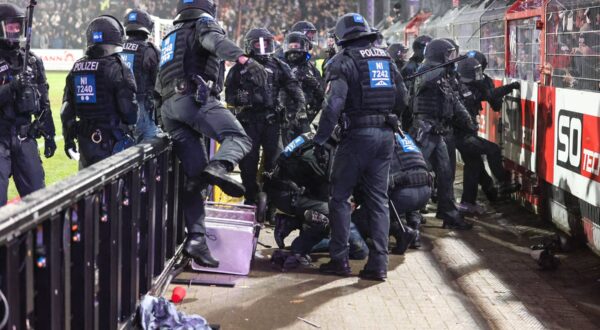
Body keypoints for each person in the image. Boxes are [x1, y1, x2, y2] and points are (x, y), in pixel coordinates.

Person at [155, 0, 266, 268]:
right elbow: (214, 42)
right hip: (193, 99)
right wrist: (243, 58)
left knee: (194, 178)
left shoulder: (170, 36)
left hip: (168, 110)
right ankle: (219, 167)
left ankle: (196, 238)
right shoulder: (203, 24)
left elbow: (158, 82)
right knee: (238, 138)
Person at [315, 13, 408, 281]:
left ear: (342, 38)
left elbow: (332, 106)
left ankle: (339, 260)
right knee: (379, 199)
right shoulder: (385, 58)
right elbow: (402, 97)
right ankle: (379, 265)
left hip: (357, 136)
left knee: (340, 197)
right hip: (386, 136)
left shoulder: (342, 61)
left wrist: (321, 139)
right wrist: (390, 117)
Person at [265, 131, 368, 270]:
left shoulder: (316, 138)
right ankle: (299, 250)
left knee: (359, 249)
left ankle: (291, 223)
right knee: (334, 215)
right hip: (289, 194)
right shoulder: (322, 149)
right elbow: (325, 186)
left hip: (293, 192)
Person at [225, 27, 305, 206]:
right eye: (258, 44)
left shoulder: (278, 65)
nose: (262, 48)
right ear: (249, 46)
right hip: (248, 122)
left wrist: (296, 112)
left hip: (272, 121)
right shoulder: (239, 68)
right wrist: (237, 104)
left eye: (266, 44)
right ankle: (251, 198)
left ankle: (270, 202)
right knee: (248, 164)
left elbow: (295, 89)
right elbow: (229, 95)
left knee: (275, 163)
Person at [409, 38, 477, 230]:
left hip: (438, 131)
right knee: (417, 173)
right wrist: (443, 66)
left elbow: (454, 100)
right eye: (448, 54)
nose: (452, 58)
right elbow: (425, 80)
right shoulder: (425, 71)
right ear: (439, 55)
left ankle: (448, 213)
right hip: (424, 130)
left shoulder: (444, 75)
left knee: (446, 175)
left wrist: (467, 119)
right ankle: (410, 216)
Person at [61, 15, 137, 168]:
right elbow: (130, 114)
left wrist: (69, 139)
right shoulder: (119, 68)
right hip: (112, 144)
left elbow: (66, 110)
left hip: (85, 143)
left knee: (88, 187)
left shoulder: (77, 68)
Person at [0, 3, 55, 205]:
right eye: (10, 26)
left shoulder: (32, 61)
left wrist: (49, 133)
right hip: (1, 137)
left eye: (17, 26)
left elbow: (44, 100)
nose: (15, 31)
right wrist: (11, 87)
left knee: (38, 199)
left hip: (25, 136)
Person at [455, 55, 520, 213]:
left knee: (473, 165)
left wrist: (510, 87)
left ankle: (467, 202)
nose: (480, 75)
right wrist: (510, 87)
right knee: (493, 150)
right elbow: (489, 96)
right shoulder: (461, 90)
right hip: (462, 136)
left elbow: (490, 95)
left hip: (465, 135)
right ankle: (503, 183)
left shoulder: (469, 87)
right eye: (476, 72)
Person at [353, 132, 431, 253]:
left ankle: (402, 232)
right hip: (426, 190)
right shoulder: (404, 135)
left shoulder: (375, 136)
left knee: (358, 219)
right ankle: (414, 234)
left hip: (404, 193)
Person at [121, 9, 161, 142]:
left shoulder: (117, 49)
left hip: (119, 108)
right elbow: (159, 84)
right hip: (142, 108)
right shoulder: (149, 51)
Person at [280, 31, 323, 144]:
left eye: (296, 46)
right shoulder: (280, 68)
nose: (293, 50)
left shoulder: (312, 70)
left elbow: (323, 96)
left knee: (306, 150)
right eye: (291, 46)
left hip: (305, 118)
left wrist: (314, 84)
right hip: (284, 119)